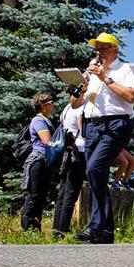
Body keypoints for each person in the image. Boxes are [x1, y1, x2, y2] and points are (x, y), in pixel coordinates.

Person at [69, 33, 134, 244]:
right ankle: (104, 230)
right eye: (97, 49)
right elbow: (75, 104)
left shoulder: (125, 69)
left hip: (116, 123)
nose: (98, 53)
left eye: (103, 48)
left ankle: (96, 225)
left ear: (114, 50)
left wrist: (105, 78)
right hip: (92, 125)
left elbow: (130, 97)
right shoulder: (92, 72)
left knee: (95, 168)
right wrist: (78, 88)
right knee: (95, 175)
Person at [19, 93, 56, 231]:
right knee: (34, 194)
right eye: (51, 103)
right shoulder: (39, 121)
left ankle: (35, 227)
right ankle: (27, 226)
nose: (53, 106)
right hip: (38, 160)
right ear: (43, 106)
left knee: (40, 195)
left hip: (44, 161)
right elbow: (47, 141)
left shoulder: (45, 120)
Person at [52, 94, 86, 237]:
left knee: (63, 191)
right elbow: (82, 130)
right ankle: (63, 228)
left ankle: (56, 228)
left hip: (66, 151)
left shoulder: (67, 108)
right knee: (71, 193)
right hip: (78, 152)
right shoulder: (80, 108)